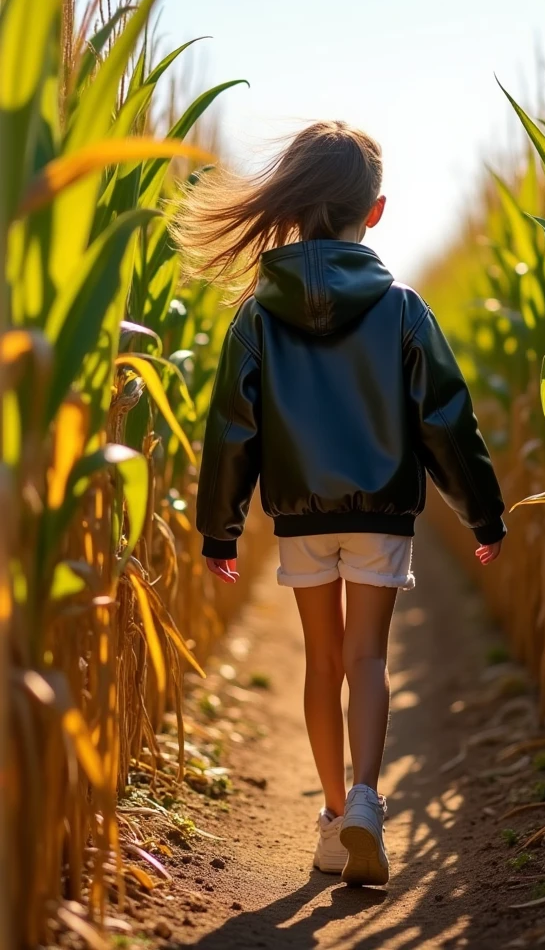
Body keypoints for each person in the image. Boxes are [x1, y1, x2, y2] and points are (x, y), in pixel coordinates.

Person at [171, 120, 506, 887]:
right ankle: (363, 802)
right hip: (382, 516)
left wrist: (218, 533)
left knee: (322, 662)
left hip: (302, 519)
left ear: (293, 206)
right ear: (375, 212)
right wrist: (482, 516)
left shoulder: (257, 314)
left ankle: (330, 817)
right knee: (369, 661)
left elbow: (233, 429)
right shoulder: (402, 307)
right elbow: (445, 418)